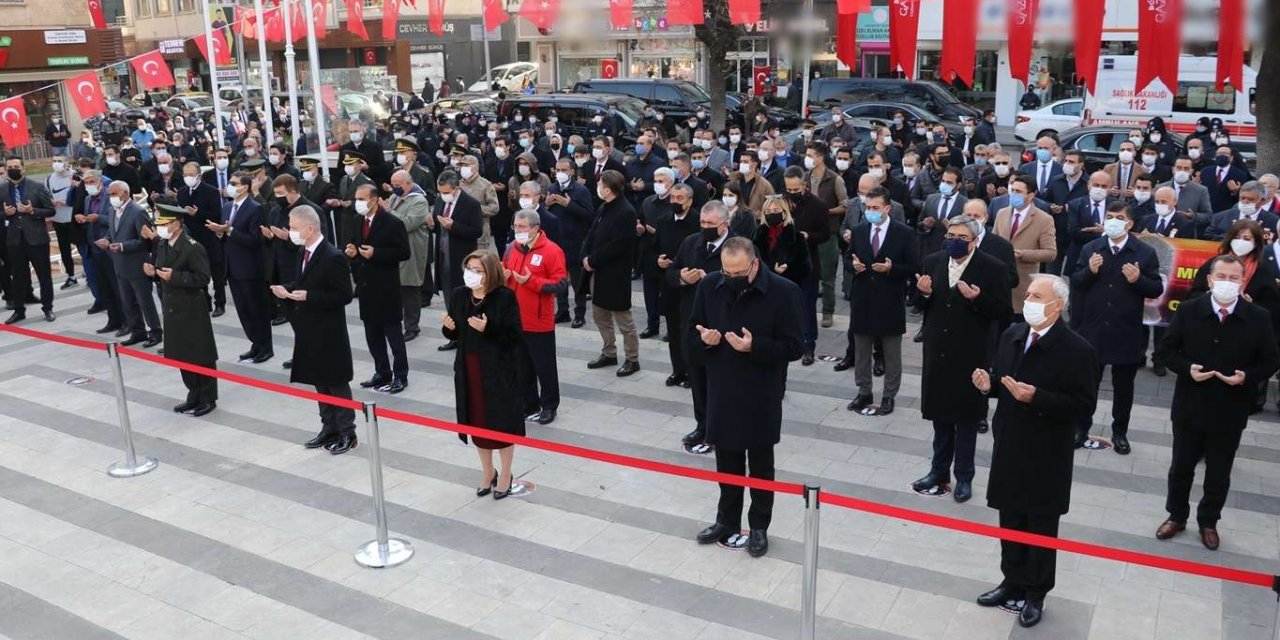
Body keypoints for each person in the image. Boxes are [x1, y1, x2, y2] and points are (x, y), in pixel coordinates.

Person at [973, 274, 1098, 628]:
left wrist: (1038, 398)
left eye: (1037, 296)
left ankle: (1035, 592)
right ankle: (1011, 580)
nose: (1028, 301)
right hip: (1010, 443)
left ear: (1058, 305)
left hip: (1046, 453)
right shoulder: (1012, 335)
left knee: (1041, 524)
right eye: (1028, 294)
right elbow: (1005, 382)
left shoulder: (1078, 350)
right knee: (1010, 518)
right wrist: (988, 385)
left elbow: (1082, 406)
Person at [1154, 255, 1280, 550]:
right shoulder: (1188, 310)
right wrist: (1188, 369)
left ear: (1242, 281)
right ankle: (1176, 515)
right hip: (1190, 405)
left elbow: (1271, 360)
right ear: (1210, 280)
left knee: (1219, 472)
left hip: (1230, 408)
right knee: (1181, 467)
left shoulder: (1258, 317)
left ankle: (1208, 521)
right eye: (1221, 277)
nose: (1227, 283)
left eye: (1233, 278)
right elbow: (1166, 351)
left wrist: (1247, 377)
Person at [689, 237, 803, 557]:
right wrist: (706, 340)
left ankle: (759, 527)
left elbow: (795, 346)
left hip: (760, 393)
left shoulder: (784, 291)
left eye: (738, 273)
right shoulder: (710, 286)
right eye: (726, 272)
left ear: (754, 264)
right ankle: (726, 521)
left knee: (761, 465)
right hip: (722, 390)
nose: (731, 278)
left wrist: (755, 346)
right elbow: (691, 333)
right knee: (727, 461)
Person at [912, 215, 1011, 501]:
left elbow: (1003, 311)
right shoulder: (933, 261)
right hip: (938, 351)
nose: (954, 241)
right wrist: (924, 294)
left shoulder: (993, 268)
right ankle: (938, 471)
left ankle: (964, 477)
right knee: (940, 417)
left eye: (962, 238)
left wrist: (977, 299)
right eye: (951, 236)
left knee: (966, 420)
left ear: (975, 240)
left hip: (971, 353)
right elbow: (919, 304)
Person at [1069, 202, 1162, 453]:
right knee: (1088, 384)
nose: (1112, 221)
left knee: (1124, 388)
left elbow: (1156, 289)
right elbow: (1076, 281)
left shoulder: (1144, 252)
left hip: (1126, 330)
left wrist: (1138, 280)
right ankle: (1081, 428)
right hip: (1093, 329)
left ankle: (1120, 432)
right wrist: (1090, 271)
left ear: (1129, 224)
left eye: (1118, 218)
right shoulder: (1091, 248)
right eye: (1109, 216)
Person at [442, 250, 530, 499]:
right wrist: (449, 329)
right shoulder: (460, 295)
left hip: (498, 371)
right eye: (468, 269)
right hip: (469, 368)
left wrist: (489, 328)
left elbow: (515, 335)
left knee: (501, 423)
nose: (471, 274)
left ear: (490, 272)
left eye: (477, 270)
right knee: (477, 422)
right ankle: (488, 471)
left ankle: (505, 473)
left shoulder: (504, 297)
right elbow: (455, 333)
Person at [275, 205, 359, 454]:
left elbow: (344, 295)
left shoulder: (333, 256)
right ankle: (328, 427)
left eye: (293, 227)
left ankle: (347, 432)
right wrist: (287, 289)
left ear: (309, 229)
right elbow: (304, 282)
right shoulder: (304, 252)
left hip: (329, 331)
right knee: (319, 381)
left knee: (336, 382)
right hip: (309, 329)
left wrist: (309, 296)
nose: (290, 231)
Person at [846, 187, 919, 416]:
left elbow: (914, 266)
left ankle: (889, 395)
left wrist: (891, 268)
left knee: (891, 353)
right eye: (868, 207)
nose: (871, 211)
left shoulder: (904, 233)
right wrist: (853, 266)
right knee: (861, 351)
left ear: (887, 208)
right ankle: (864, 391)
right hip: (863, 300)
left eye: (875, 207)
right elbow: (848, 257)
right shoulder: (859, 231)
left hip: (890, 300)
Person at [147, 205, 218, 416]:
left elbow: (203, 278)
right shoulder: (163, 244)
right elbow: (162, 269)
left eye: (165, 224)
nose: (160, 229)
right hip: (172, 307)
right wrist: (153, 272)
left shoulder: (192, 247)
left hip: (192, 307)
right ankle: (193, 393)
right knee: (182, 354)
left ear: (176, 224)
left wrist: (175, 277)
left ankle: (207, 397)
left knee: (200, 353)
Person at [503, 209, 568, 425]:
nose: (517, 230)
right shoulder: (511, 248)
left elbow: (560, 284)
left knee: (544, 367)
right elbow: (505, 272)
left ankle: (549, 406)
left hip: (539, 321)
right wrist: (502, 277)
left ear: (536, 228)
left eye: (522, 227)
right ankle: (529, 404)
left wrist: (532, 282)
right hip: (515, 319)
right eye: (515, 226)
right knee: (521, 366)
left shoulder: (552, 251)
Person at [347, 184, 411, 394]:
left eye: (361, 199)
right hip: (366, 288)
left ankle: (400, 375)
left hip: (386, 287)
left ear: (374, 200)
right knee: (372, 335)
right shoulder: (357, 220)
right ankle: (382, 371)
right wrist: (352, 252)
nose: (358, 203)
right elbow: (355, 245)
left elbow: (403, 252)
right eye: (356, 199)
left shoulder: (392, 222)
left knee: (394, 335)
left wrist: (377, 253)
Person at [583, 170, 641, 377]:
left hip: (615, 274)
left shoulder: (626, 211)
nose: (598, 188)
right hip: (598, 271)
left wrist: (593, 260)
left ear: (608, 189)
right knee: (600, 315)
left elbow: (618, 245)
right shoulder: (604, 206)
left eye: (600, 185)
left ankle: (632, 358)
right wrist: (585, 255)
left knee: (623, 319)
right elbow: (592, 233)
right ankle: (609, 352)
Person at [209, 171, 272, 363]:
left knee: (256, 309)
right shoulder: (227, 207)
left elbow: (254, 240)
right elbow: (224, 236)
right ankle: (255, 343)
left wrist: (229, 230)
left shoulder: (255, 208)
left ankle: (265, 347)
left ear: (245, 187)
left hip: (250, 267)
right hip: (232, 267)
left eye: (234, 183)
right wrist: (220, 233)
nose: (230, 186)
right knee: (243, 311)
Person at [103, 181, 163, 346]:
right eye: (110, 194)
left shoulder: (138, 212)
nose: (111, 197)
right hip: (120, 265)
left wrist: (123, 246)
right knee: (128, 302)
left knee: (145, 301)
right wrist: (107, 240)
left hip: (137, 264)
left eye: (114, 194)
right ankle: (138, 332)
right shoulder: (111, 210)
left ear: (125, 193)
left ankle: (156, 332)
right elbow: (112, 232)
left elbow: (145, 240)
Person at [431, 170, 484, 350]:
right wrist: (431, 224)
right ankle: (454, 335)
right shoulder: (440, 201)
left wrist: (454, 226)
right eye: (440, 192)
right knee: (449, 298)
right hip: (442, 256)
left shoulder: (471, 204)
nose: (443, 195)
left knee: (464, 298)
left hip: (461, 258)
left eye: (446, 192)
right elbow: (437, 226)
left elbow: (476, 231)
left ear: (456, 188)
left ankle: (467, 337)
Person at [2, 156, 56, 324]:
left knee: (44, 276)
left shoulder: (37, 186)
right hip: (14, 240)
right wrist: (5, 214)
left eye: (16, 166)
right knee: (18, 277)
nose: (13, 169)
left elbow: (51, 210)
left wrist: (32, 211)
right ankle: (19, 310)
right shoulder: (2, 189)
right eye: (10, 167)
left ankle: (48, 308)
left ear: (23, 168)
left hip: (37, 239)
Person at [994, 177, 1057, 318]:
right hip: (999, 283)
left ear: (1030, 195)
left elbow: (1051, 253)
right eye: (1012, 190)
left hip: (1023, 283)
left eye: (1018, 191)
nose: (1013, 194)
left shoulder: (1044, 219)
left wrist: (1023, 254)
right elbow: (993, 241)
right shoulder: (1002, 213)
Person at [545, 158, 594, 327]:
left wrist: (569, 204)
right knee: (559, 278)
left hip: (575, 241)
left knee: (577, 280)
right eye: (557, 170)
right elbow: (545, 214)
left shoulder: (581, 190)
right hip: (556, 241)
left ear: (572, 171)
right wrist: (546, 205)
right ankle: (562, 310)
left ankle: (580, 313)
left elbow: (589, 214)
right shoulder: (552, 188)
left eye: (563, 170)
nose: (560, 173)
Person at [176, 161, 226, 316]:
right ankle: (205, 300)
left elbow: (216, 215)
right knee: (197, 271)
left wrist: (198, 214)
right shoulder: (182, 192)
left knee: (216, 272)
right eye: (185, 174)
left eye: (191, 174)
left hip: (208, 236)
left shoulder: (210, 191)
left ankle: (220, 303)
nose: (188, 177)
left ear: (199, 175)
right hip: (191, 237)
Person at [388, 170, 432, 342]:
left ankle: (412, 326)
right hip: (396, 249)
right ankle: (398, 323)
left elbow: (408, 224)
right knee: (397, 288)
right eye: (393, 185)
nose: (394, 188)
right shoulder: (394, 197)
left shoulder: (419, 200)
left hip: (412, 250)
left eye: (397, 185)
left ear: (408, 183)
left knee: (410, 289)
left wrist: (388, 211)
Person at [45, 155, 80, 290]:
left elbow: (82, 195)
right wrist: (51, 202)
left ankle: (90, 272)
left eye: (59, 161)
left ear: (66, 163)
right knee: (64, 250)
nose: (56, 163)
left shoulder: (75, 176)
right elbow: (45, 196)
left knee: (81, 245)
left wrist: (68, 202)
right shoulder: (49, 178)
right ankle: (71, 276)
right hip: (58, 219)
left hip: (74, 218)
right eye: (54, 161)